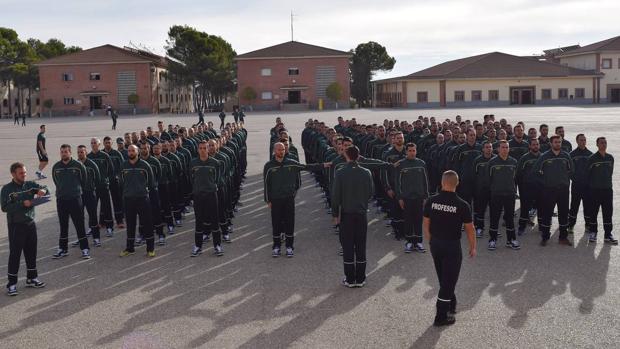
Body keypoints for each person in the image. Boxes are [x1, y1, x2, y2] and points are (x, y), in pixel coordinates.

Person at [423, 170, 476, 327]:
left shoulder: (431, 201)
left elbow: (425, 223)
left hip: (436, 244)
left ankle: (451, 305)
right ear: (457, 183)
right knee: (448, 282)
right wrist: (473, 247)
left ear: (441, 182)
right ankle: (440, 317)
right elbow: (470, 229)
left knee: (444, 277)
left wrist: (431, 240)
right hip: (452, 246)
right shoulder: (462, 204)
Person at [263, 143, 327, 257]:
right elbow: (266, 184)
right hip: (276, 199)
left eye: (283, 149)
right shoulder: (269, 166)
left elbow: (306, 167)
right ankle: (276, 247)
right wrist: (268, 200)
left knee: (289, 222)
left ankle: (289, 247)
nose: (281, 151)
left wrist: (324, 165)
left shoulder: (291, 163)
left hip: (288, 199)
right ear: (274, 151)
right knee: (276, 223)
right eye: (279, 150)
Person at [1, 162, 48, 296]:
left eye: (25, 172)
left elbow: (45, 188)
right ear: (13, 174)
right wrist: (23, 204)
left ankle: (31, 278)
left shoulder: (30, 185)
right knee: (15, 255)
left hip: (30, 223)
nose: (24, 175)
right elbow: (4, 207)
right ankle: (11, 284)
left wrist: (43, 190)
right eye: (21, 173)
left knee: (31, 252)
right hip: (16, 225)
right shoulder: (7, 189)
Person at [332, 146, 374, 287]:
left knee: (348, 246)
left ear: (346, 155)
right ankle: (360, 278)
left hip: (346, 214)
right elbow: (370, 193)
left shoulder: (340, 172)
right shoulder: (366, 172)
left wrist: (335, 214)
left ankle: (350, 279)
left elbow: (336, 196)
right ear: (358, 155)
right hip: (361, 214)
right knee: (361, 246)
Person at [51, 144, 91, 259]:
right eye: (62, 152)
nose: (63, 153)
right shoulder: (56, 167)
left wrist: (75, 190)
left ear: (70, 152)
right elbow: (56, 181)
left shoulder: (78, 166)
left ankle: (85, 249)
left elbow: (84, 180)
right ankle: (63, 249)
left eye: (66, 152)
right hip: (61, 200)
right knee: (63, 226)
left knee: (79, 225)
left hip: (75, 199)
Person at [533, 135, 574, 246]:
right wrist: (545, 183)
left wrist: (566, 181)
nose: (558, 144)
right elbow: (536, 171)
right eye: (555, 142)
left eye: (559, 142)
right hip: (549, 190)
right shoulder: (545, 156)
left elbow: (572, 170)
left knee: (564, 214)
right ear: (551, 143)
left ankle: (563, 238)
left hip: (563, 190)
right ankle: (545, 237)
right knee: (547, 213)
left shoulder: (566, 156)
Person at [119, 145, 156, 257]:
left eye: (133, 150)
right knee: (130, 224)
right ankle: (130, 248)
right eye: (129, 151)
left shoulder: (145, 165)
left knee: (147, 224)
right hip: (128, 199)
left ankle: (150, 249)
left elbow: (151, 182)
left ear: (137, 152)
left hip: (142, 199)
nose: (130, 152)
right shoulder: (124, 165)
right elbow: (121, 183)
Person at [190, 141, 224, 257]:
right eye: (201, 148)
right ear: (198, 150)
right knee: (199, 220)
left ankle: (217, 245)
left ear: (208, 149)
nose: (203, 150)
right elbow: (190, 178)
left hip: (211, 194)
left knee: (215, 220)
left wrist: (211, 187)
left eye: (205, 148)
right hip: (198, 195)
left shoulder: (215, 163)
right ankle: (198, 246)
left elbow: (218, 179)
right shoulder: (193, 163)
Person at [394, 143, 429, 253]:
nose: (412, 153)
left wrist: (426, 196)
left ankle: (418, 242)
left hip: (419, 197)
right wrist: (399, 198)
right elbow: (397, 182)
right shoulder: (401, 165)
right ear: (406, 152)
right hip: (406, 198)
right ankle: (409, 242)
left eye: (414, 150)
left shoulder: (421, 163)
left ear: (416, 151)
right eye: (410, 151)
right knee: (408, 220)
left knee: (418, 220)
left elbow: (426, 181)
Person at [486, 140, 519, 250]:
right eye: (503, 147)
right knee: (495, 218)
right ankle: (492, 240)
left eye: (506, 147)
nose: (505, 149)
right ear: (498, 149)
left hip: (510, 194)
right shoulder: (492, 162)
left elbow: (516, 178)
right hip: (496, 194)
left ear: (509, 149)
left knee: (509, 218)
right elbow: (488, 179)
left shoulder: (514, 162)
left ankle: (511, 240)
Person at [587, 137, 616, 244]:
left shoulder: (610, 158)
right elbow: (588, 174)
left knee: (608, 213)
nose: (604, 144)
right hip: (595, 190)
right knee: (593, 212)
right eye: (601, 143)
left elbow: (610, 173)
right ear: (597, 145)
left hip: (607, 190)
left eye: (605, 143)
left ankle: (608, 234)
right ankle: (593, 232)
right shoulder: (592, 158)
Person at [516, 138, 541, 235]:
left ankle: (542, 227)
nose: (535, 146)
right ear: (530, 146)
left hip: (539, 187)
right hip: (527, 187)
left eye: (537, 144)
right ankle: (521, 226)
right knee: (525, 208)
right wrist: (523, 186)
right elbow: (518, 173)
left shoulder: (542, 157)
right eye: (533, 144)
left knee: (541, 208)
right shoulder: (524, 158)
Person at [568, 134, 592, 233]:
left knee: (587, 206)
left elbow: (593, 170)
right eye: (581, 140)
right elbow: (568, 170)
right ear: (577, 141)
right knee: (574, 205)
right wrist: (574, 178)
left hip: (587, 186)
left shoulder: (590, 154)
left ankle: (588, 224)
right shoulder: (572, 154)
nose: (583, 142)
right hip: (576, 185)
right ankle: (571, 225)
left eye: (584, 140)